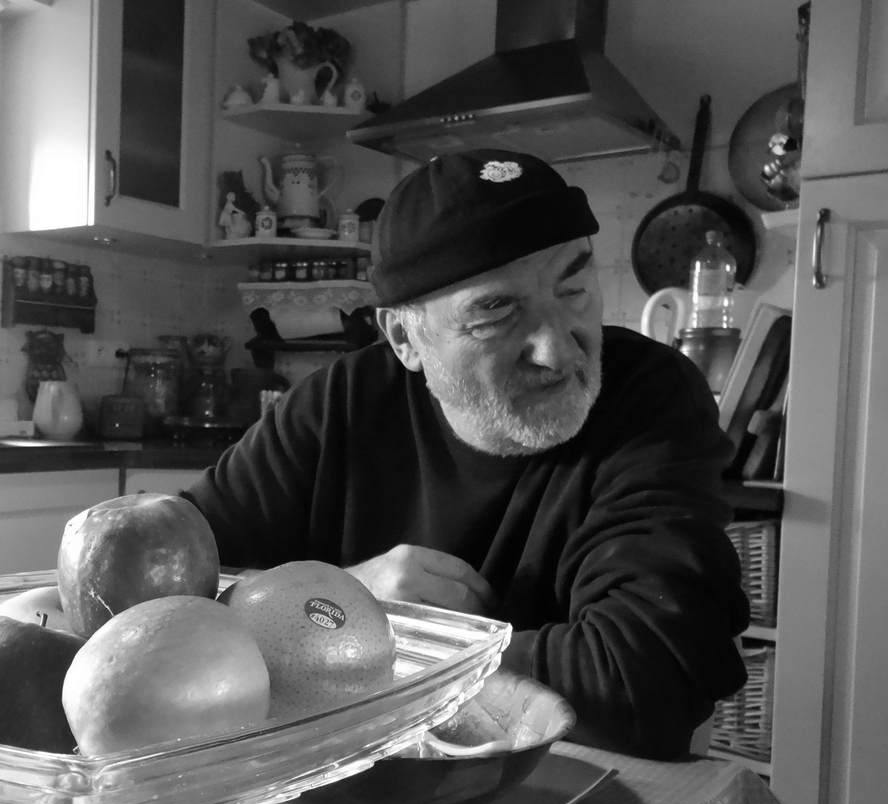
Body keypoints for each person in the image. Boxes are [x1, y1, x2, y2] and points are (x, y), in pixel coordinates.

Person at [184, 149, 750, 761]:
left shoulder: (650, 400)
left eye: (575, 287)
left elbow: (642, 687)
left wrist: (371, 629)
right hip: (339, 791)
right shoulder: (338, 404)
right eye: (496, 312)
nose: (558, 351)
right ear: (404, 338)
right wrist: (338, 595)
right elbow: (169, 600)